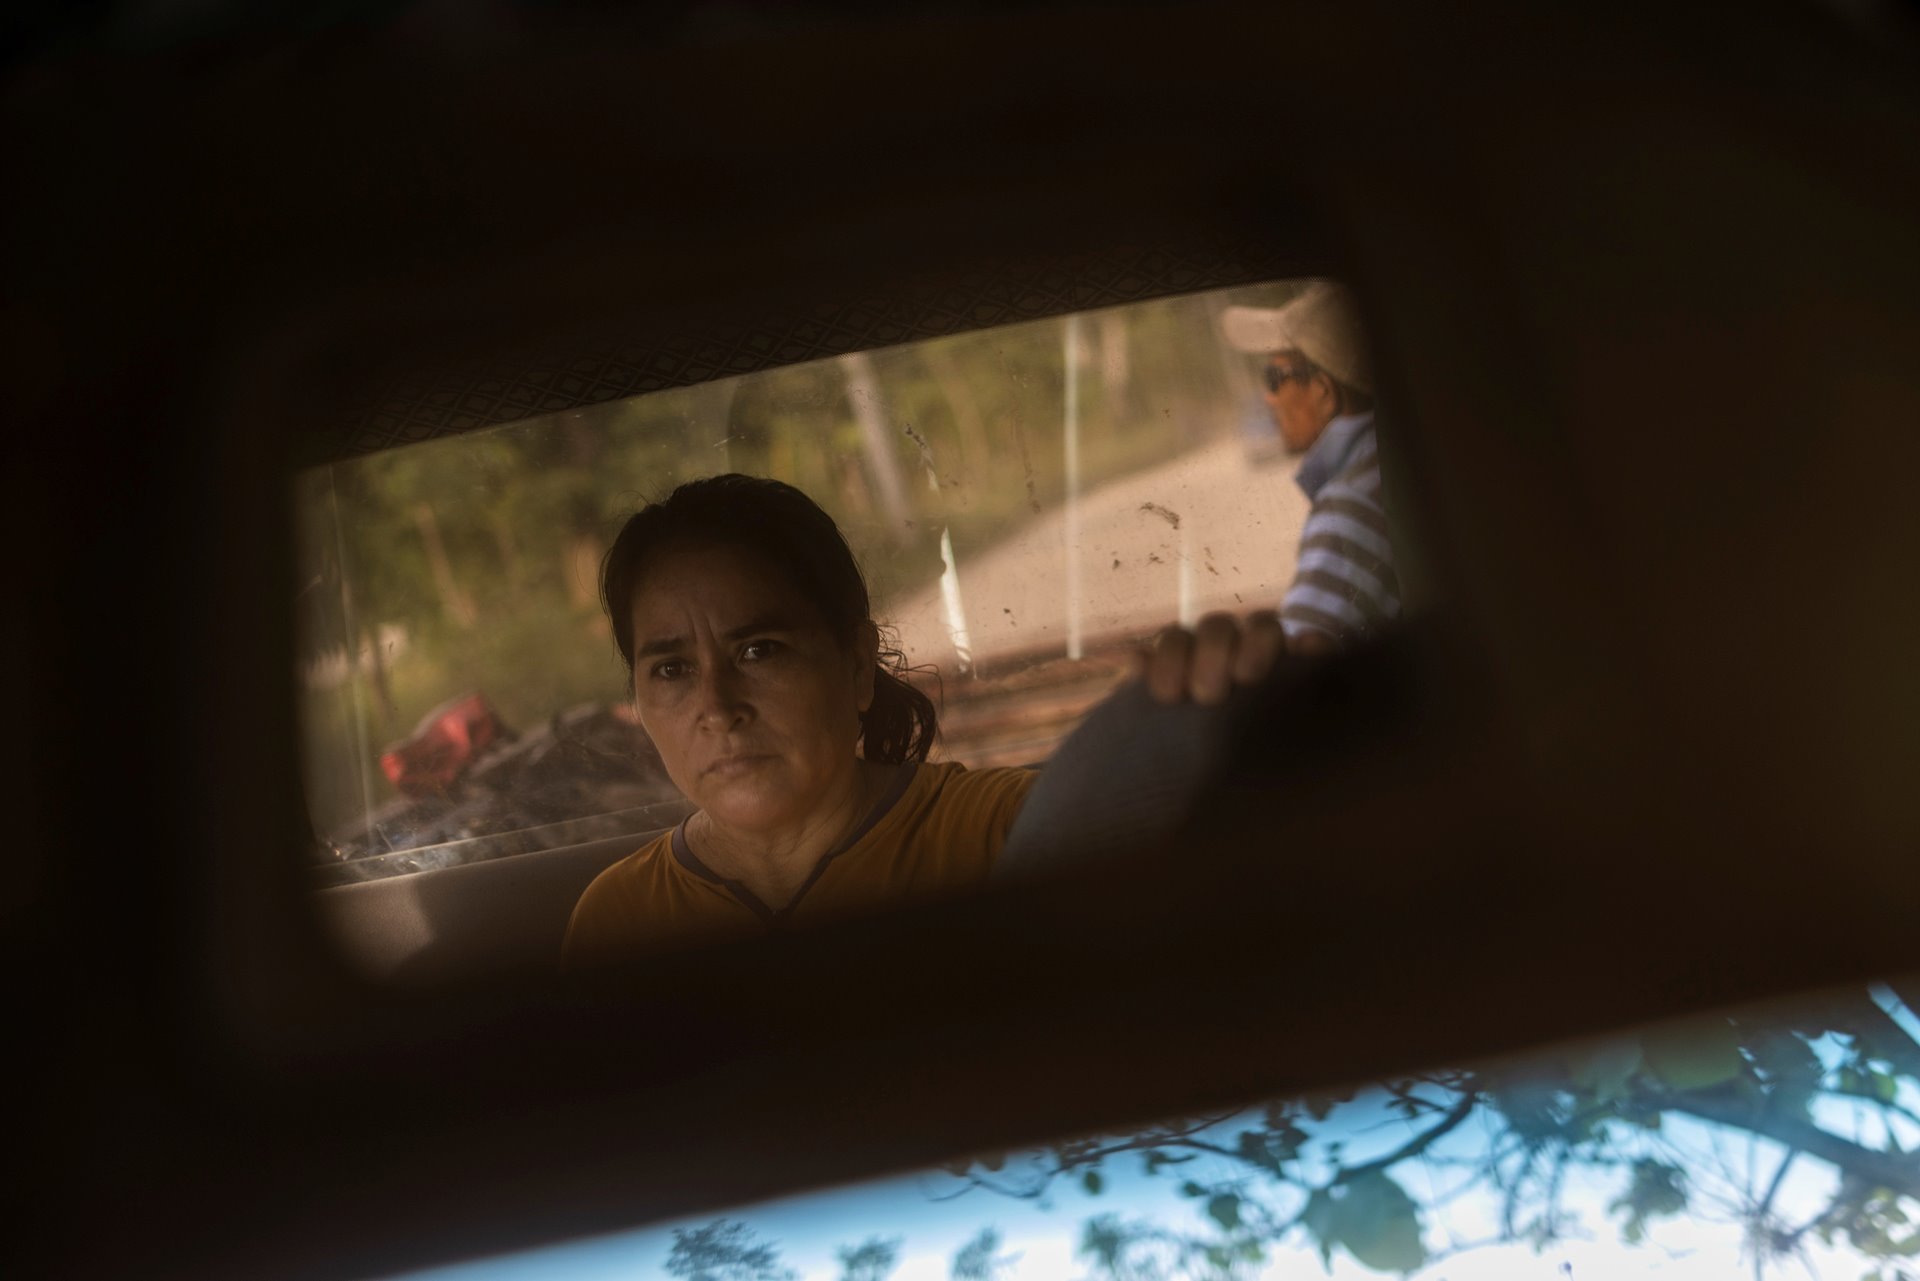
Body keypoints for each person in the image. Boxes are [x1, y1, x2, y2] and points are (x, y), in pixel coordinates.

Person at [562, 474, 1284, 964]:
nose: (717, 707)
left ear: (854, 663)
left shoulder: (1012, 835)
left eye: (759, 649)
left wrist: (1233, 708)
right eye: (671, 669)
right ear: (638, 702)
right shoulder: (619, 919)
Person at [1221, 280, 1400, 654]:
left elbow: (1300, 664)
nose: (1267, 398)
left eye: (1274, 378)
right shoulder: (1394, 469)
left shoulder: (1348, 509)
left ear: (1323, 392)